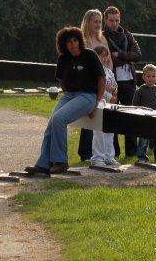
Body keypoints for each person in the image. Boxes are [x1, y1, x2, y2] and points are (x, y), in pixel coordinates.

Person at [25, 26, 106, 175]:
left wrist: (96, 103)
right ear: (64, 44)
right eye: (69, 42)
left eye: (75, 40)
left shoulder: (90, 55)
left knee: (59, 119)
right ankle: (43, 163)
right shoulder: (63, 58)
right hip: (69, 95)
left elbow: (102, 79)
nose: (73, 44)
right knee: (52, 122)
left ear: (79, 40)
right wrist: (67, 95)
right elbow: (62, 80)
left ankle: (61, 162)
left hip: (87, 96)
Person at [103, 5, 142, 157]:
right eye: (112, 20)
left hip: (129, 81)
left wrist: (119, 55)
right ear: (106, 20)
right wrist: (124, 56)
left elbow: (137, 55)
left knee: (130, 117)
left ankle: (131, 152)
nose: (115, 24)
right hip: (112, 81)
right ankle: (114, 152)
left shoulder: (127, 35)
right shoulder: (104, 37)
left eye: (117, 20)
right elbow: (104, 57)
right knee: (112, 116)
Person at [77, 9, 114, 162]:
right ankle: (86, 153)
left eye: (100, 21)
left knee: (104, 118)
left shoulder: (102, 39)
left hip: (104, 81)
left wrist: (108, 79)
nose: (98, 24)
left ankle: (106, 154)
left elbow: (109, 60)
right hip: (90, 82)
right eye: (95, 21)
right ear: (88, 22)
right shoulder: (83, 40)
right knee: (90, 116)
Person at [90, 45, 120, 167]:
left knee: (110, 131)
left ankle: (109, 156)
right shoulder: (93, 71)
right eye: (100, 55)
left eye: (105, 56)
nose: (103, 58)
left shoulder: (108, 71)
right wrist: (108, 95)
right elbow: (97, 87)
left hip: (110, 105)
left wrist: (114, 91)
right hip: (99, 103)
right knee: (98, 132)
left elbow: (115, 85)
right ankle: (97, 158)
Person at [133, 64, 156, 163]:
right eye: (148, 76)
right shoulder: (140, 91)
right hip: (144, 120)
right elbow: (135, 105)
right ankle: (142, 157)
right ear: (143, 77)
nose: (151, 78)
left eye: (153, 76)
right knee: (143, 141)